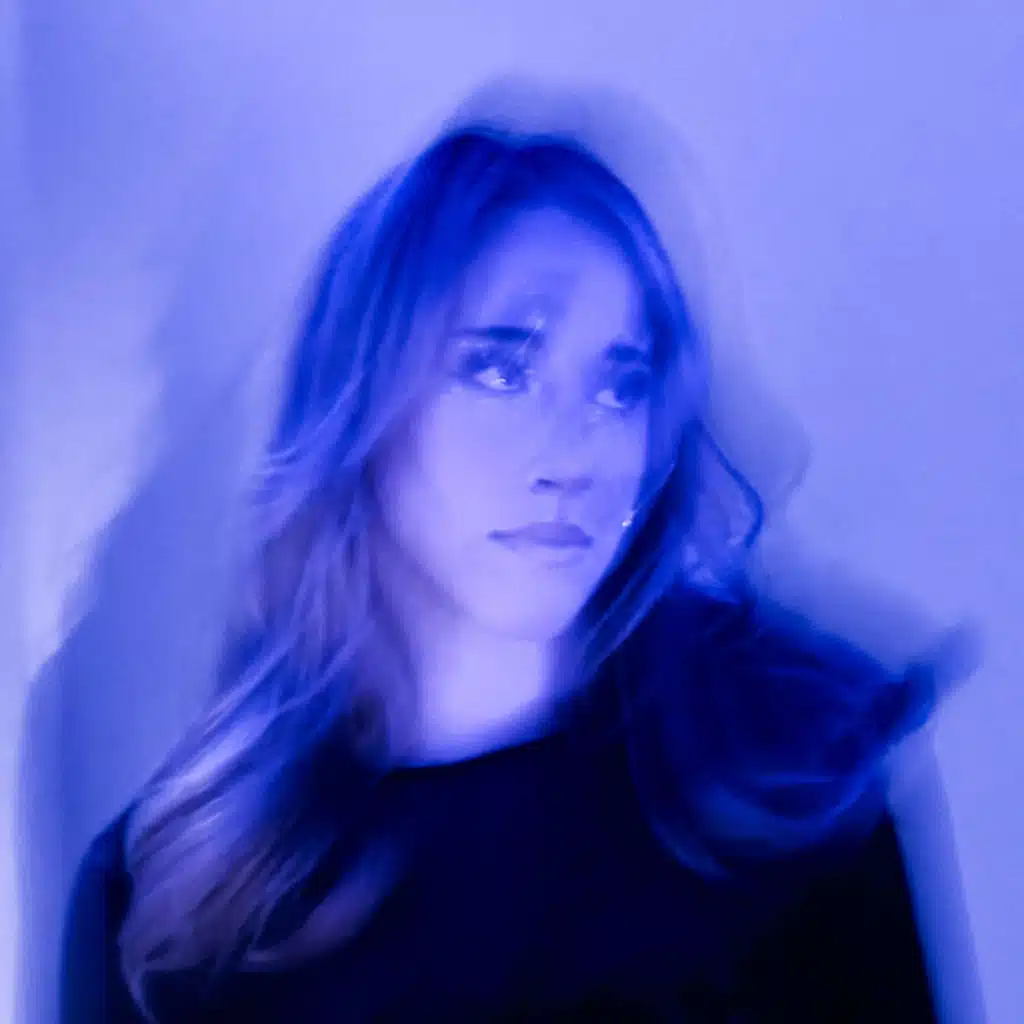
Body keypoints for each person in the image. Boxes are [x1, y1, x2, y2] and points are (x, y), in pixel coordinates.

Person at [59, 87, 954, 1022]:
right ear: (364, 405)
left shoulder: (787, 780)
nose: (575, 456)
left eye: (620, 384)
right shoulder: (175, 912)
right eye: (500, 367)